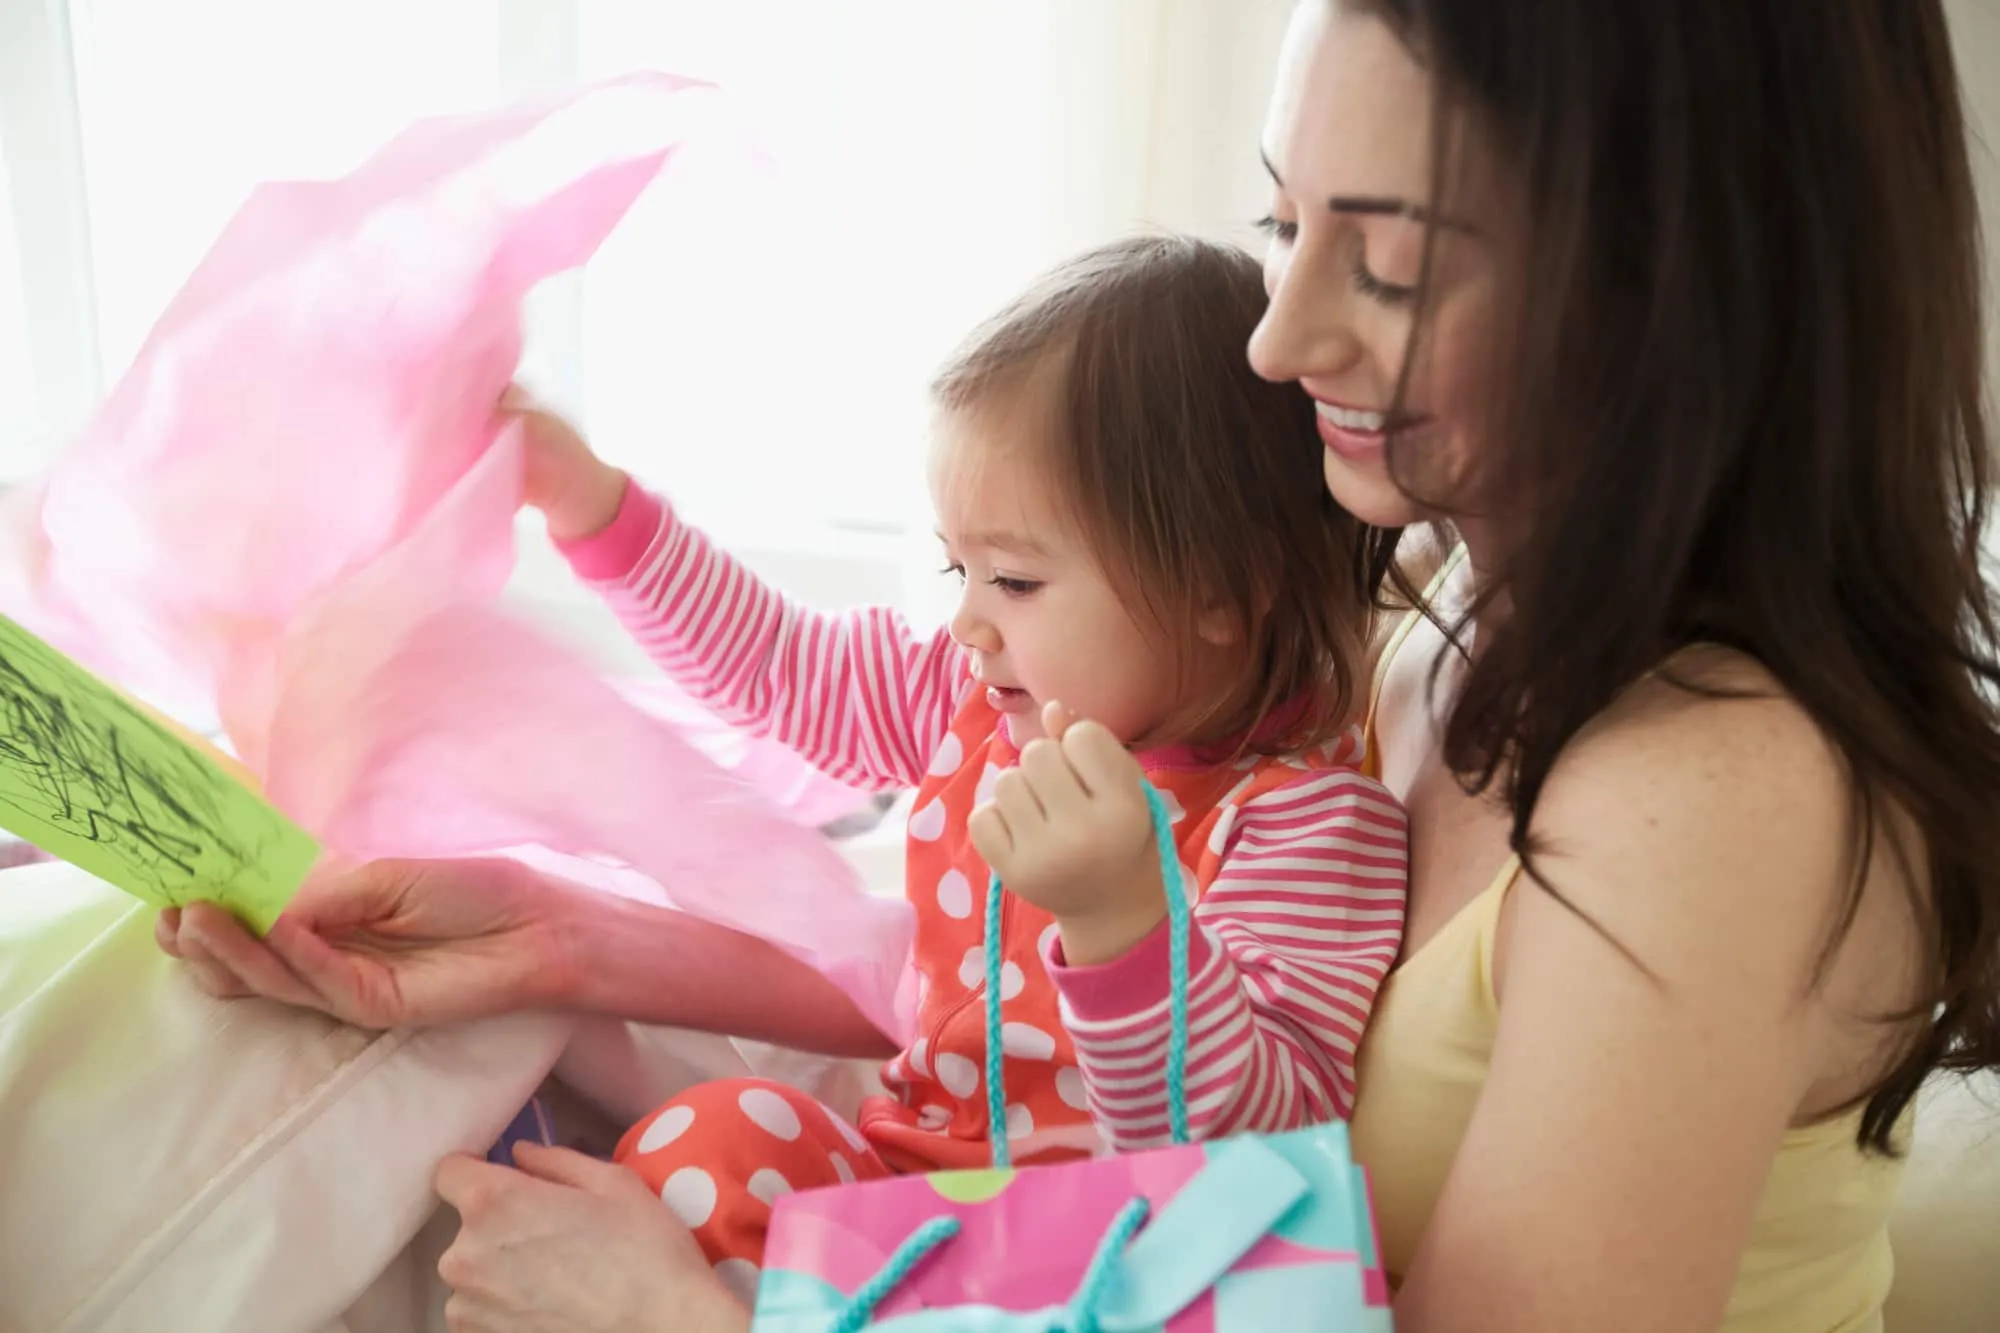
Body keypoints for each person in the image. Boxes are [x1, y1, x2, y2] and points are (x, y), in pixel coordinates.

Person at [162, 1, 2000, 1330]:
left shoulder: (1708, 790)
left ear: (1678, 278)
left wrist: (699, 1327)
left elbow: (1220, 1152)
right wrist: (562, 937)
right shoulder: (1431, 615)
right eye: (1289, 222)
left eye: (1394, 263)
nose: (1278, 340)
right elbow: (870, 790)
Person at [163, 234, 1407, 1327]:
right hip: (900, 1194)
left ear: (1219, 597)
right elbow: (779, 668)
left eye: (1015, 582)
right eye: (954, 571)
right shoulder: (972, 700)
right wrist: (595, 508)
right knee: (708, 1139)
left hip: (1089, 1275)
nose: (969, 623)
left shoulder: (1305, 820)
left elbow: (1254, 1156)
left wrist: (1123, 918)